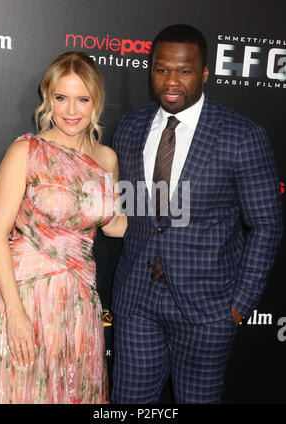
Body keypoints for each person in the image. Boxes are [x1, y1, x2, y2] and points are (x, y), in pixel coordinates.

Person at [110, 24, 283, 404]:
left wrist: (238, 307)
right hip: (137, 299)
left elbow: (267, 226)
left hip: (209, 307)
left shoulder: (241, 135)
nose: (171, 80)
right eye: (161, 69)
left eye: (184, 70)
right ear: (151, 70)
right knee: (128, 403)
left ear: (204, 73)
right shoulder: (130, 127)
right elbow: (133, 210)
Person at [0, 51, 126, 404]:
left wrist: (179, 207)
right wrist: (16, 315)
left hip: (78, 306)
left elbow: (115, 226)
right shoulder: (26, 152)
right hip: (23, 298)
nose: (71, 110)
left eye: (82, 99)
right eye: (61, 98)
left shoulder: (106, 158)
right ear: (48, 98)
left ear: (96, 101)